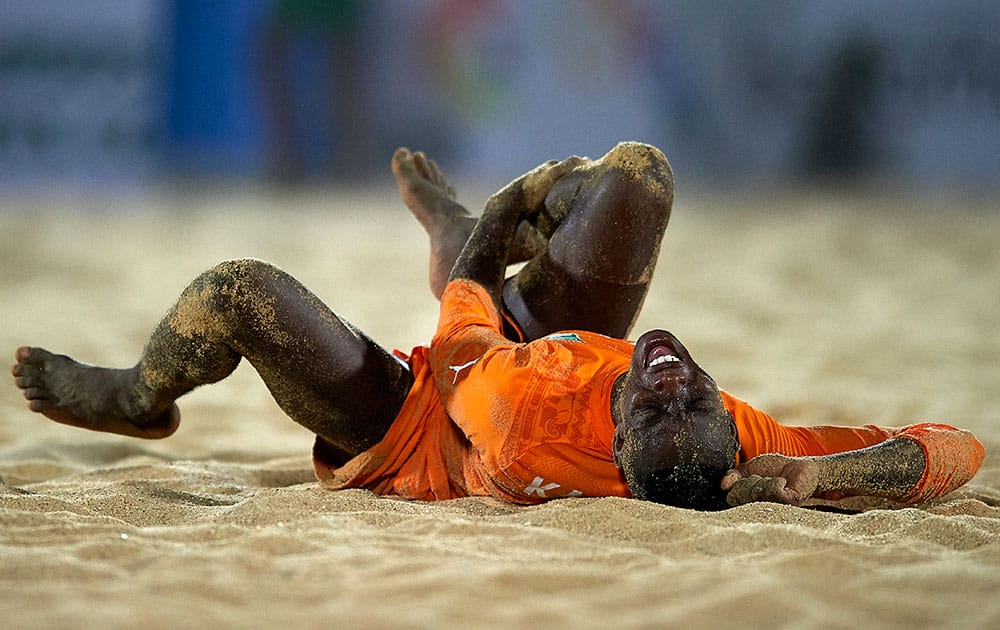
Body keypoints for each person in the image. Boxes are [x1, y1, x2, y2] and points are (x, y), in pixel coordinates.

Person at [11, 143, 985, 510]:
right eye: (690, 390)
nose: (669, 367)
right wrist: (819, 474)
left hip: (422, 419)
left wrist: (503, 210)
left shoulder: (526, 408)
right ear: (734, 443)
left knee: (238, 291)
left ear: (617, 432)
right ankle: (462, 228)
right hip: (538, 361)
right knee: (637, 179)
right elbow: (957, 451)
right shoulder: (728, 439)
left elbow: (467, 324)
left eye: (653, 396)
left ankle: (136, 399)